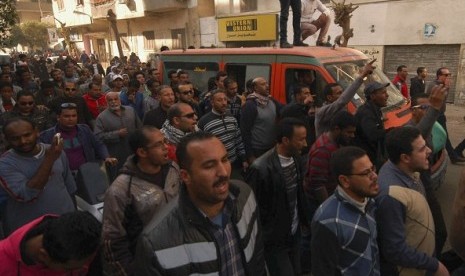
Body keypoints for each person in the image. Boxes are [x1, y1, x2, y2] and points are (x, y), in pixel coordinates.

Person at [134, 132, 265, 275]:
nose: (223, 172)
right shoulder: (155, 242)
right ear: (185, 176)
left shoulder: (245, 196)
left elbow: (257, 256)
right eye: (209, 166)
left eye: (225, 159)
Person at [102, 126, 181, 275]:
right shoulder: (121, 190)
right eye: (159, 144)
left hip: (179, 252)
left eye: (165, 141)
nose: (166, 147)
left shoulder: (173, 169)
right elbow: (113, 241)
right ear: (142, 152)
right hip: (148, 264)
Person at [376, 126, 449, 276]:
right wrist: (433, 265)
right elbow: (395, 250)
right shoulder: (391, 196)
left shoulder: (407, 170)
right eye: (422, 149)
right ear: (405, 158)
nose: (429, 151)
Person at [246, 118, 310, 276]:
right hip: (274, 240)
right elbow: (253, 210)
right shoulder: (260, 169)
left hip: (293, 234)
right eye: (301, 139)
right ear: (285, 140)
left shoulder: (295, 158)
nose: (306, 144)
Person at [0, 118, 76, 236]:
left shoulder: (55, 151)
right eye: (15, 138)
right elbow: (27, 194)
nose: (23, 141)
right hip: (31, 232)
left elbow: (68, 186)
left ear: (36, 132)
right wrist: (50, 159)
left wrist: (74, 215)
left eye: (27, 135)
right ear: (6, 139)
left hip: (64, 222)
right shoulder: (5, 164)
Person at [311, 146, 380, 275]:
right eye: (366, 173)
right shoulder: (327, 220)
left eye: (373, 169)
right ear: (345, 180)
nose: (374, 176)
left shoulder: (371, 203)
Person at [0, 211, 101, 275]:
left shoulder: (84, 239)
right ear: (44, 255)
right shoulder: (3, 264)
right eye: (68, 269)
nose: (83, 269)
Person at [39, 103, 117, 173]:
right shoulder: (47, 136)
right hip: (63, 176)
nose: (71, 119)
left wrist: (106, 157)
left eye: (74, 116)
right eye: (67, 116)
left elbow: (98, 144)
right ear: (58, 117)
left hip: (86, 173)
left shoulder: (84, 129)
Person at [315, 60, 376, 136]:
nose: (343, 94)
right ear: (329, 97)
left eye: (342, 92)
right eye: (339, 93)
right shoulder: (323, 112)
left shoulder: (341, 109)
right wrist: (362, 76)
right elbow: (342, 101)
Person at [198, 90, 248, 179]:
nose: (224, 103)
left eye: (225, 99)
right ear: (212, 102)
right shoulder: (204, 122)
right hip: (215, 167)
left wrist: (244, 159)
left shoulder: (231, 118)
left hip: (234, 164)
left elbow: (238, 140)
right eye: (219, 100)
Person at [94, 92, 142, 180]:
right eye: (110, 100)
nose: (113, 102)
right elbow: (98, 137)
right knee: (119, 180)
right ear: (106, 102)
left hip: (133, 152)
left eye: (115, 99)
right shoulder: (102, 117)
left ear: (119, 100)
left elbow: (139, 128)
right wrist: (116, 134)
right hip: (116, 156)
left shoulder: (130, 111)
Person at [426, 67, 465, 164]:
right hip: (436, 115)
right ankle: (452, 156)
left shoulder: (441, 85)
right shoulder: (434, 86)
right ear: (439, 75)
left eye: (449, 75)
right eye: (446, 75)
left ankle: (454, 155)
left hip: (440, 114)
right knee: (443, 136)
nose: (449, 77)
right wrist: (447, 87)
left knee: (444, 136)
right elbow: (439, 100)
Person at [241, 77, 282, 164]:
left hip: (272, 148)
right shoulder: (250, 105)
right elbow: (245, 132)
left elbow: (285, 110)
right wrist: (250, 155)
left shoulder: (271, 101)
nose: (267, 86)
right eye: (263, 84)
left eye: (267, 84)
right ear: (255, 88)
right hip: (257, 151)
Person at [355, 81, 389, 169]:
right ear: (372, 96)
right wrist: (392, 131)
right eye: (383, 92)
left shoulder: (375, 109)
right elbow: (372, 135)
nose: (387, 95)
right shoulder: (366, 112)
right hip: (367, 159)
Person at [280, 84, 315, 153]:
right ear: (298, 95)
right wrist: (305, 103)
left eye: (309, 93)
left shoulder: (303, 107)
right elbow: (289, 110)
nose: (309, 96)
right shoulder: (291, 108)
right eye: (306, 93)